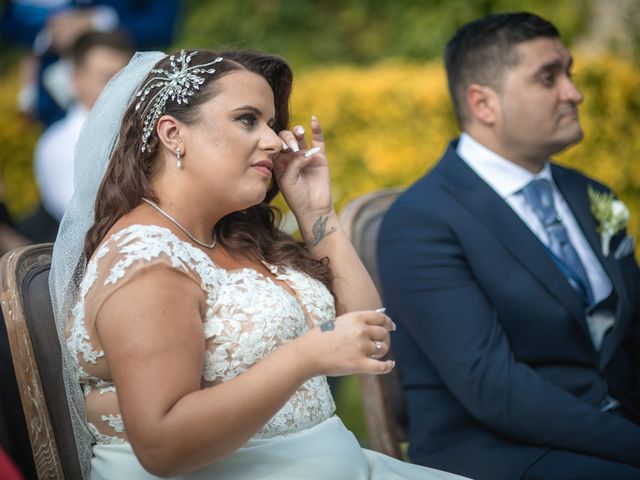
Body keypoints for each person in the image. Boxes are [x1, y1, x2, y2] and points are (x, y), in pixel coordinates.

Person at [50, 49, 469, 479]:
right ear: (174, 134)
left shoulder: (235, 236)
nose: (274, 140)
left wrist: (316, 214)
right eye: (248, 120)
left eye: (271, 123)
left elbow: (371, 335)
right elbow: (162, 445)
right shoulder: (147, 261)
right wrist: (303, 358)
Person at [377, 12, 640, 480]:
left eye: (570, 73)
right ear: (484, 104)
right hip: (505, 451)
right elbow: (494, 389)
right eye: (548, 78)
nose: (574, 93)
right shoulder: (421, 222)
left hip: (613, 428)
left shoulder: (590, 194)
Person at [20, 31, 133, 243]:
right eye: (106, 78)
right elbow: (84, 219)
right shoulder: (57, 144)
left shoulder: (149, 128)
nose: (120, 89)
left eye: (125, 77)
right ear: (76, 79)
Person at [0, 0, 180, 125]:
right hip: (55, 105)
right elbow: (13, 20)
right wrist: (50, 32)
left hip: (127, 97)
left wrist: (99, 19)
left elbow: (162, 25)